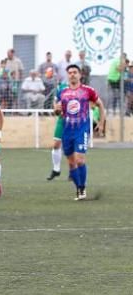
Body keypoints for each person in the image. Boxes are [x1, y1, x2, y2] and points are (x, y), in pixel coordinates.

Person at [55, 64, 106, 200]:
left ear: (80, 75)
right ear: (67, 75)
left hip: (82, 129)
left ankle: (82, 189)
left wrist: (101, 123)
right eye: (70, 72)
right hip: (67, 131)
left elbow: (101, 105)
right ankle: (79, 188)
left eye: (75, 72)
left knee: (79, 160)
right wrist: (57, 109)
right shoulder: (62, 92)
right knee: (71, 163)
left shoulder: (88, 91)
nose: (72, 74)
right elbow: (58, 112)